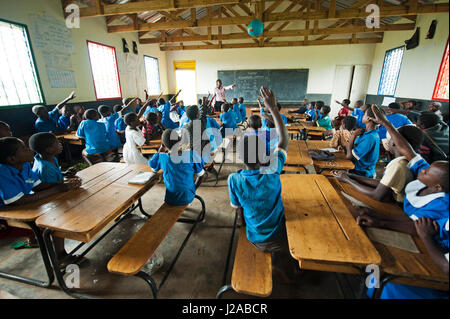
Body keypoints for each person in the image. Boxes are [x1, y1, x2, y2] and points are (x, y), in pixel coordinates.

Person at [356, 104, 449, 299]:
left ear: (438, 187)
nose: (423, 168)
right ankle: (368, 291)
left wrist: (425, 237)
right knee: (374, 263)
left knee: (388, 281)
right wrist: (386, 123)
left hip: (433, 262)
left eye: (427, 172)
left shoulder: (442, 210)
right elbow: (408, 151)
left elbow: (424, 231)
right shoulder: (424, 181)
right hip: (412, 235)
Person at [228, 86, 300, 283]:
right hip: (279, 240)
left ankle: (276, 264)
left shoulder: (234, 179)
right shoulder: (272, 169)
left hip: (254, 237)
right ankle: (282, 266)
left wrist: (242, 221)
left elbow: (238, 210)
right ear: (265, 155)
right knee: (297, 221)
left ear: (241, 157)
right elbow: (284, 140)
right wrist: (274, 109)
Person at [0, 137, 81, 263]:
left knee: (58, 207)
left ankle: (40, 243)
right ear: (12, 159)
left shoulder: (25, 165)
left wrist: (63, 184)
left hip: (17, 204)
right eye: (24, 149)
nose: (28, 149)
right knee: (54, 220)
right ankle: (61, 257)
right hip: (4, 216)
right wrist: (58, 189)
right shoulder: (3, 174)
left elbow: (37, 186)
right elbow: (18, 201)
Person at [333, 125, 424, 203]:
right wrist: (350, 176)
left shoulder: (398, 165)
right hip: (390, 197)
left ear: (396, 142)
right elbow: (383, 183)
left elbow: (377, 195)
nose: (388, 141)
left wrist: (347, 180)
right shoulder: (412, 161)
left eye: (391, 138)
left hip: (394, 205)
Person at [149, 129, 205, 206]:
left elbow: (153, 169)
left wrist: (160, 149)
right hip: (188, 195)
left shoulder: (161, 157)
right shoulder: (191, 155)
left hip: (171, 197)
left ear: (164, 145)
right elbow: (201, 174)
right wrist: (193, 189)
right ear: (179, 141)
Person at [345, 106, 380, 178]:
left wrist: (353, 135)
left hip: (361, 173)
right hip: (360, 169)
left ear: (369, 118)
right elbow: (355, 147)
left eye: (364, 115)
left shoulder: (369, 137)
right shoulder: (368, 133)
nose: (362, 116)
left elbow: (349, 156)